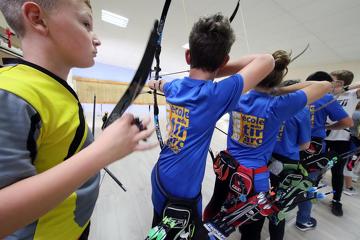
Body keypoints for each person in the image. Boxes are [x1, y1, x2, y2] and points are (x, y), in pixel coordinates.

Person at [0, 1, 155, 239]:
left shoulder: (53, 87)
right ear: (37, 18)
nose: (96, 39)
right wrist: (103, 152)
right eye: (85, 23)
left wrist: (108, 142)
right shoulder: (10, 93)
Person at [148, 13, 275, 239]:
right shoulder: (215, 94)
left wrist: (153, 83)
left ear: (188, 56)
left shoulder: (175, 87)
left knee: (160, 226)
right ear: (224, 61)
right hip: (183, 190)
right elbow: (267, 61)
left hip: (160, 174)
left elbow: (161, 84)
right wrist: (217, 67)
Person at [203, 50, 332, 240]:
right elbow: (326, 85)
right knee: (251, 229)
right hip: (254, 178)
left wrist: (256, 79)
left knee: (216, 205)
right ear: (277, 80)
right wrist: (281, 89)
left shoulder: (237, 96)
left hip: (227, 168)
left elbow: (213, 75)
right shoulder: (278, 105)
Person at [271, 79, 313, 234]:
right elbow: (305, 145)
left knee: (259, 197)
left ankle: (248, 229)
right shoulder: (301, 111)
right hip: (288, 162)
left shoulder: (270, 106)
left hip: (265, 158)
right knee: (279, 205)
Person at [320, 70, 356, 216]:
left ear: (341, 83)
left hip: (340, 140)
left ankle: (336, 200)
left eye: (332, 80)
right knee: (316, 169)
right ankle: (312, 193)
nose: (329, 82)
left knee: (337, 172)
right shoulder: (329, 94)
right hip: (322, 137)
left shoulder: (352, 94)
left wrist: (346, 88)